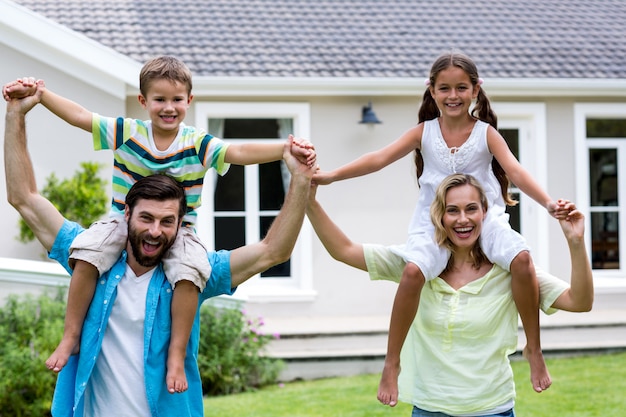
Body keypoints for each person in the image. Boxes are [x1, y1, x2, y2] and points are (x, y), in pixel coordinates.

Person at [2, 56, 316, 393]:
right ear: (143, 101)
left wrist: (284, 150)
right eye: (160, 100)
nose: (169, 107)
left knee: (190, 272)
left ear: (189, 101)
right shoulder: (128, 132)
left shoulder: (197, 143)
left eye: (177, 99)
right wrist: (39, 96)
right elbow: (80, 118)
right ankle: (71, 336)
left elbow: (239, 151)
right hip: (116, 222)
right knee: (87, 254)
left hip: (184, 235)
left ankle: (176, 356)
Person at [313, 51, 568, 399]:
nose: (453, 96)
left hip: (484, 219)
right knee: (413, 272)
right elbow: (377, 159)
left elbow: (516, 171)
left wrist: (550, 203)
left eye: (461, 88)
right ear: (431, 90)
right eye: (444, 88)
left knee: (522, 259)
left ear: (476, 90)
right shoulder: (424, 132)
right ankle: (392, 364)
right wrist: (330, 176)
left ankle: (534, 349)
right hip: (433, 224)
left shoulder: (486, 134)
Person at [306, 173, 593, 415]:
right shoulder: (418, 267)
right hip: (430, 408)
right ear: (439, 215)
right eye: (452, 210)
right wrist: (307, 199)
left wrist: (576, 242)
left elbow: (579, 302)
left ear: (485, 213)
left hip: (492, 408)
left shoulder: (510, 271)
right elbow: (343, 250)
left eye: (471, 209)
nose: (462, 219)